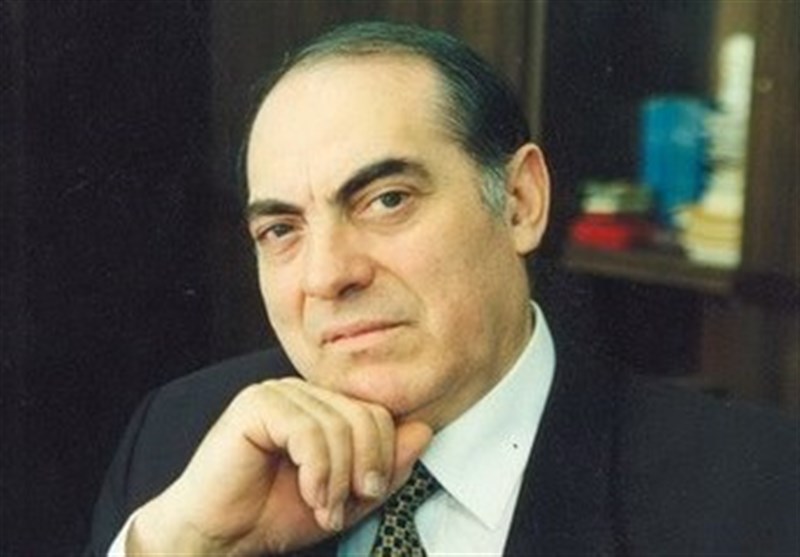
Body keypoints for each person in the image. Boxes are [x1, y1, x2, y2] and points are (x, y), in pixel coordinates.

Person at [85, 21, 797, 556]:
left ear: (520, 202)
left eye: (386, 200)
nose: (328, 275)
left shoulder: (760, 492)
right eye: (281, 229)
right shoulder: (180, 443)